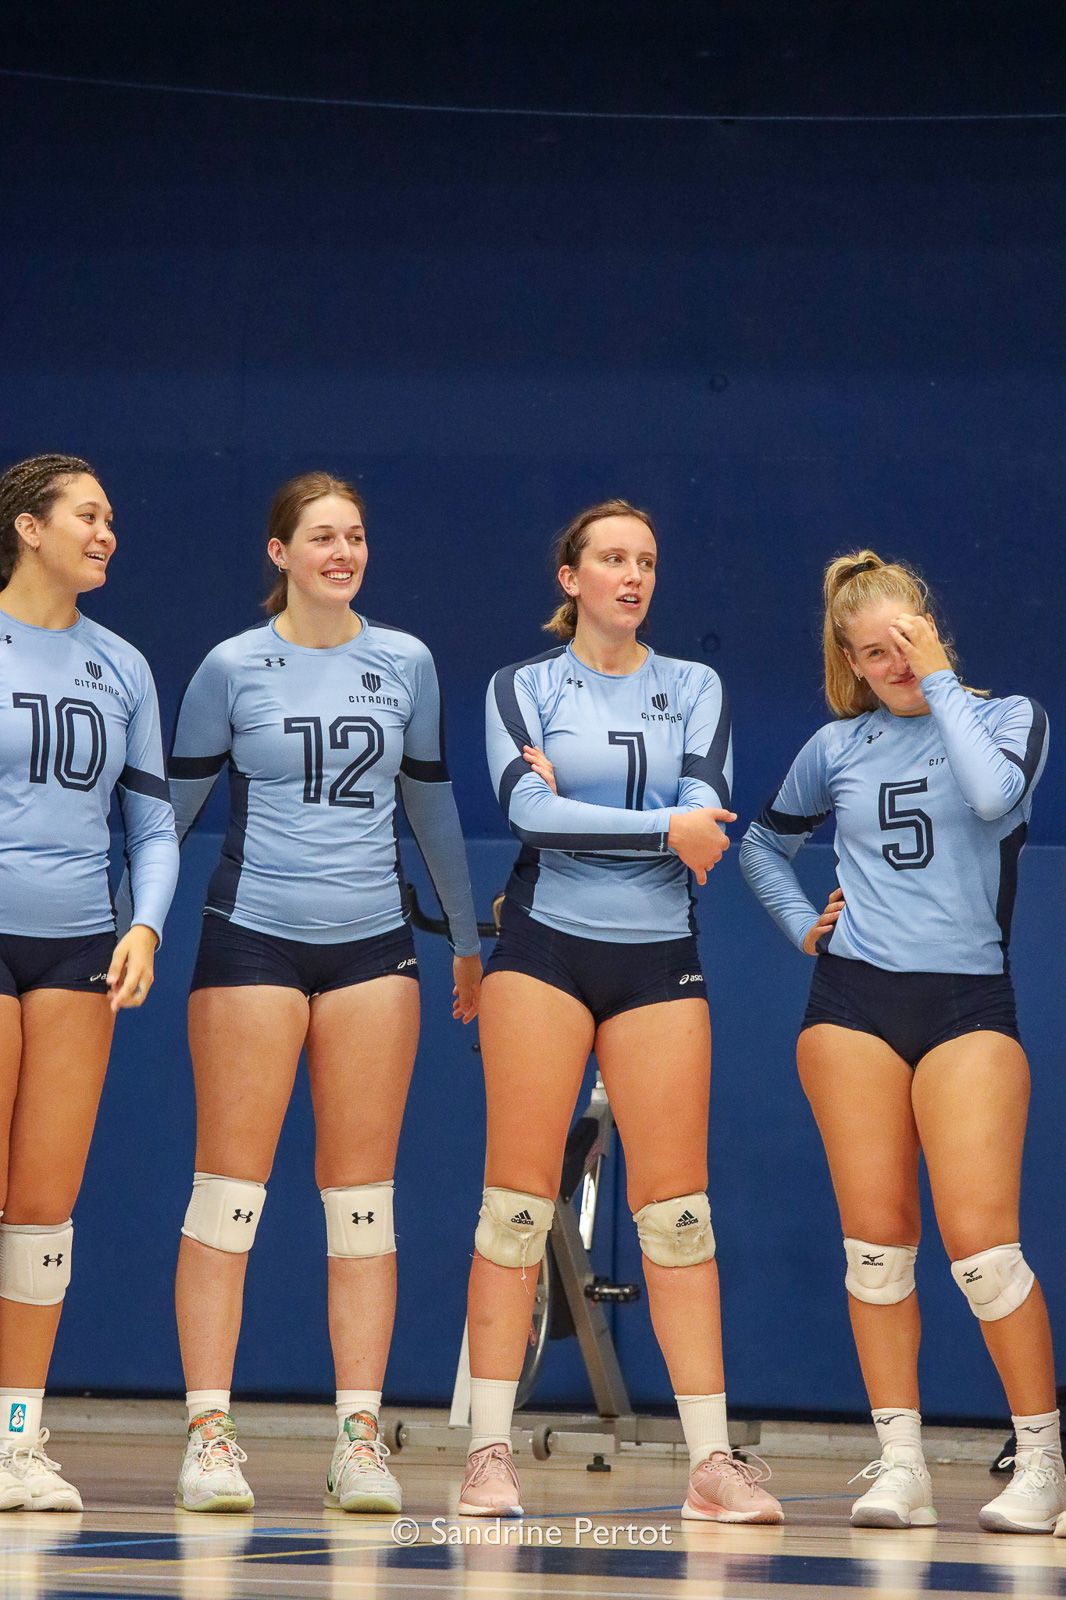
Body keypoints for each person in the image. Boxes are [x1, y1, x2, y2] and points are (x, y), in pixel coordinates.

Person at [457, 498, 783, 1523]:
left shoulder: (695, 686)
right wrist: (658, 824)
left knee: (676, 1213)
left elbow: (711, 825)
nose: (631, 575)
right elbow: (527, 812)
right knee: (514, 1204)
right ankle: (486, 1453)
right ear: (571, 577)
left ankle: (709, 1465)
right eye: (610, 558)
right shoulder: (520, 687)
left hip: (655, 960)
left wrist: (593, 814)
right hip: (543, 951)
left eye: (644, 560)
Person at [168, 471, 481, 1515]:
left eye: (354, 536)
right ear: (278, 553)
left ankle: (360, 1436)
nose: (341, 552)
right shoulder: (229, 667)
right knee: (229, 1194)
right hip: (249, 942)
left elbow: (431, 807)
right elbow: (168, 814)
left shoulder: (406, 663)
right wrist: (117, 918)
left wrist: (466, 941)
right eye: (320, 537)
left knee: (362, 1206)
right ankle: (209, 1434)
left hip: (372, 953)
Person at [740, 551, 1057, 1534]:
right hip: (851, 1004)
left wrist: (938, 680)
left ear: (929, 624)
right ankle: (900, 1462)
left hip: (966, 1002)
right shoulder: (836, 747)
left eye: (902, 641)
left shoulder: (1007, 718)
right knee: (874, 1249)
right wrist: (803, 923)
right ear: (846, 654)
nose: (889, 663)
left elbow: (993, 798)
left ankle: (1043, 1462)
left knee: (981, 1250)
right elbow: (761, 843)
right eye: (869, 652)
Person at [0, 454, 178, 1511]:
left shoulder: (124, 665)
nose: (107, 531)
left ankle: (16, 1437)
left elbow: (149, 822)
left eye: (111, 516)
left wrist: (145, 923)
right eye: (87, 514)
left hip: (78, 945)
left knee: (43, 1208)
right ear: (29, 528)